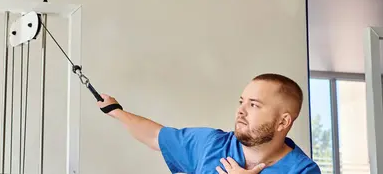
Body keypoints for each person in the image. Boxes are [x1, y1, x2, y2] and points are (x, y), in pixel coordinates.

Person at [97, 73, 321, 174]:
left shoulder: (303, 171)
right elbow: (157, 136)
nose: (240, 110)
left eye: (254, 105)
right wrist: (116, 111)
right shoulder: (210, 144)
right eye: (241, 101)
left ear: (283, 122)